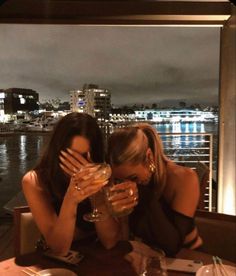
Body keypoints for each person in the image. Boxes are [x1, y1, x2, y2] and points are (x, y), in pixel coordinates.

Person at [96, 123, 202, 257]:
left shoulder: (184, 179)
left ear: (149, 157)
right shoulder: (123, 186)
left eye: (133, 177)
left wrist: (144, 193)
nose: (126, 185)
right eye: (120, 180)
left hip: (188, 259)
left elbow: (172, 246)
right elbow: (120, 239)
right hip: (147, 257)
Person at [22, 112, 107, 255]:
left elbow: (109, 240)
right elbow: (59, 248)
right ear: (58, 151)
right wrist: (71, 198)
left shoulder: (102, 172)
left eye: (84, 157)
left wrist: (96, 191)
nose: (79, 166)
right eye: (71, 156)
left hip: (98, 258)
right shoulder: (34, 181)